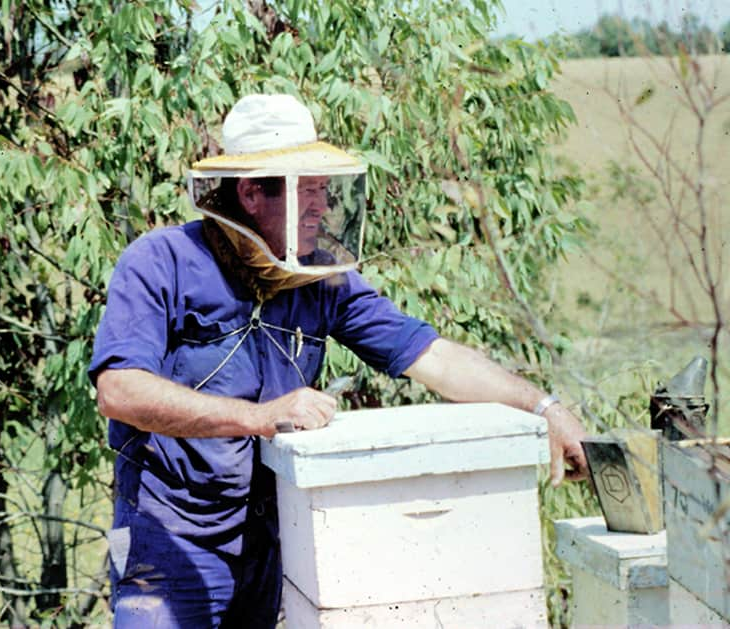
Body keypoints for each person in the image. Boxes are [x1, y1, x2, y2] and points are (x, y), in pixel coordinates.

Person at [89, 93, 588, 628]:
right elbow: (119, 392)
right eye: (308, 190)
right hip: (168, 542)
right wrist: (257, 418)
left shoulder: (322, 280)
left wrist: (542, 406)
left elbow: (434, 358)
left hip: (268, 545)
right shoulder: (159, 261)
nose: (322, 207)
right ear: (252, 192)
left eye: (324, 190)